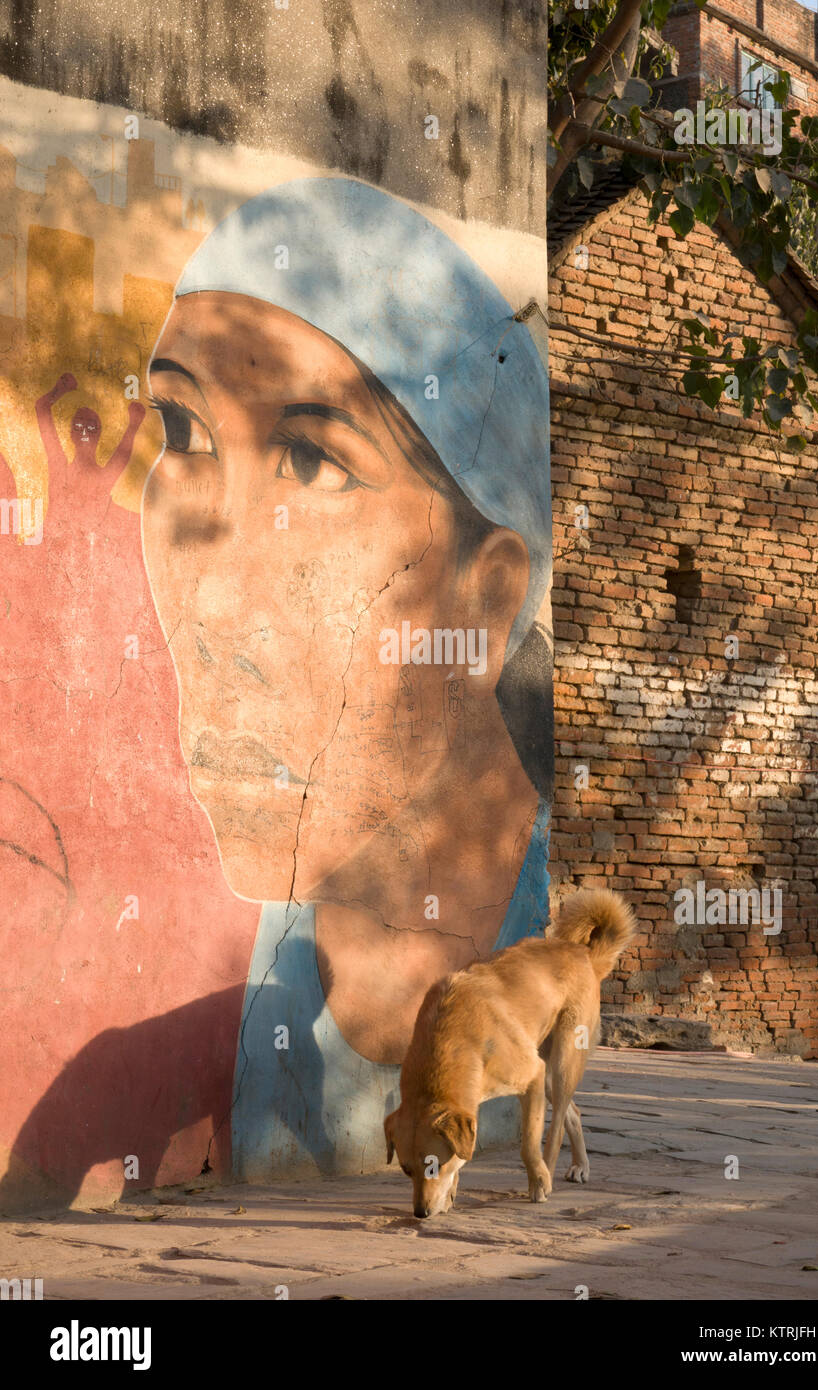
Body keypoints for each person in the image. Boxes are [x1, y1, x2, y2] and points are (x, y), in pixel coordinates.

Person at [141, 176, 553, 1175]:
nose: (215, 608)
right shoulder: (271, 973)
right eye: (180, 432)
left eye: (313, 461)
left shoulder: (534, 964)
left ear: (484, 598)